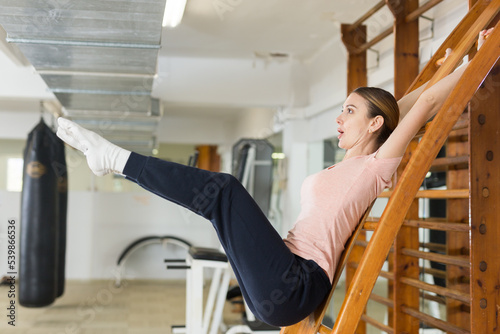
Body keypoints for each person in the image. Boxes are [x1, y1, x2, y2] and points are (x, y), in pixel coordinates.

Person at [56, 29, 493, 326]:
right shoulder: (348, 164)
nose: (339, 118)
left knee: (223, 191)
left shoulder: (377, 167)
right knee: (217, 204)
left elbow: (426, 102)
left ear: (376, 126)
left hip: (294, 285)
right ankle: (113, 161)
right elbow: (399, 105)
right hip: (280, 278)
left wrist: (482, 55)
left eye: (350, 111)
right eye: (341, 109)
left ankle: (113, 158)